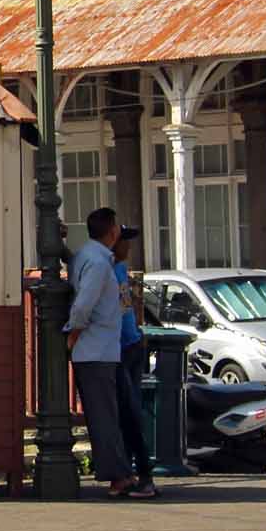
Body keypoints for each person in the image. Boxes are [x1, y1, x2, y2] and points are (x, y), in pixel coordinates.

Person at [66, 207, 149, 500]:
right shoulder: (101, 264)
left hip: (102, 349)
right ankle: (120, 476)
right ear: (112, 231)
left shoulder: (87, 256)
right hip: (98, 348)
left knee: (110, 415)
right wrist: (73, 334)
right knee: (107, 417)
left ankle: (123, 473)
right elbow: (85, 304)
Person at [109, 224, 158, 494]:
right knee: (128, 413)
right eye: (124, 241)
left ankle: (141, 474)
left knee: (128, 414)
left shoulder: (116, 269)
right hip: (126, 346)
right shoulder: (114, 269)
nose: (129, 247)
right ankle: (136, 473)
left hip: (126, 347)